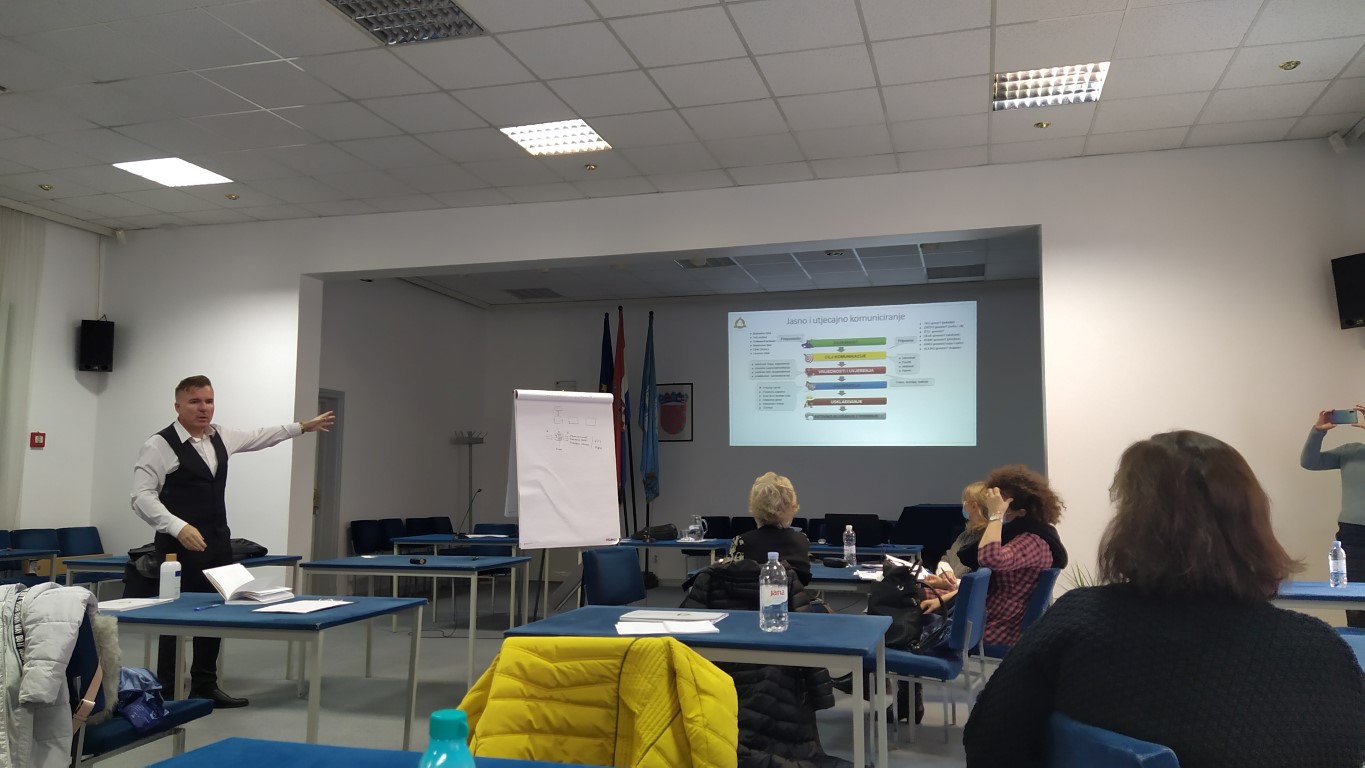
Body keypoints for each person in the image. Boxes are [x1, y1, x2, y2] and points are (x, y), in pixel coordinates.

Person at [964, 430, 1365, 768]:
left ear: (1131, 522)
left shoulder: (1077, 624)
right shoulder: (1322, 650)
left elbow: (990, 740)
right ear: (1255, 519)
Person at [131, 375, 334, 708]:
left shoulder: (220, 436)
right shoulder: (159, 445)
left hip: (217, 544)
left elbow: (260, 436)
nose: (204, 408)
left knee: (215, 613)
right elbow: (141, 496)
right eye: (195, 401)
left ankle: (204, 686)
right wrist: (177, 526)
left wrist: (302, 427)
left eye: (209, 401)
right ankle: (168, 688)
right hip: (177, 547)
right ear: (178, 406)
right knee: (174, 617)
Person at [921, 466, 1067, 646]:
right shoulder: (1020, 534)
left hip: (996, 627)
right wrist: (942, 601)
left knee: (906, 616)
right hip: (985, 614)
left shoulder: (1033, 541)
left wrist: (995, 515)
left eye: (1001, 503)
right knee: (910, 597)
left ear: (1020, 512)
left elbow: (989, 558)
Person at [1302, 405, 1365, 626]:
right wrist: (1318, 432)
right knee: (1355, 608)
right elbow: (1310, 462)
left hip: (1353, 536)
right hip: (1353, 538)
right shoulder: (1351, 451)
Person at [730, 471, 813, 586]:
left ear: (755, 507)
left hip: (753, 597)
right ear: (791, 507)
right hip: (792, 597)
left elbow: (732, 581)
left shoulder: (741, 541)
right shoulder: (802, 540)